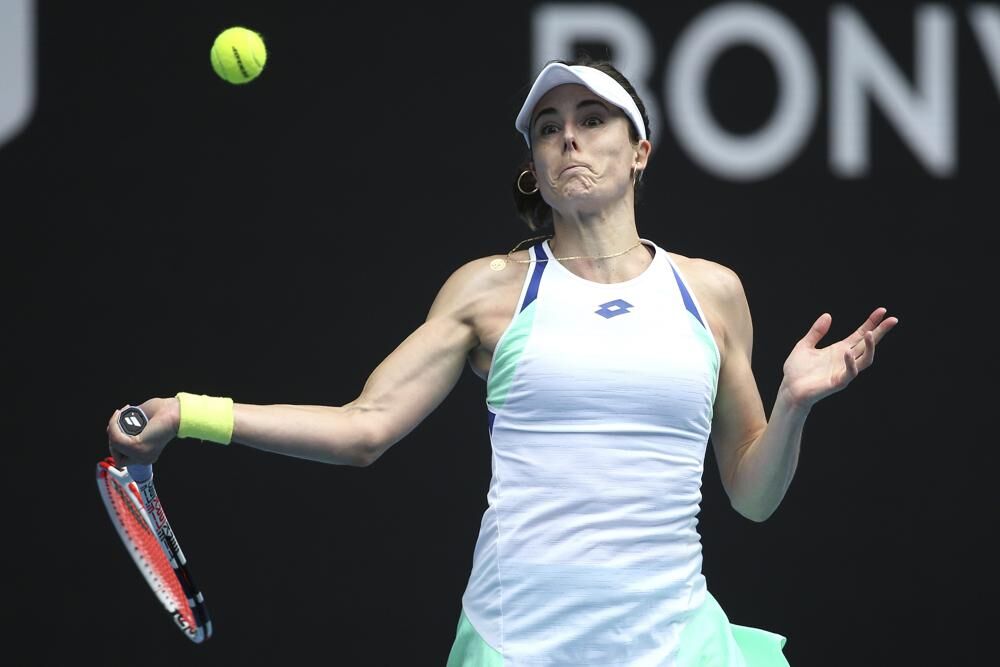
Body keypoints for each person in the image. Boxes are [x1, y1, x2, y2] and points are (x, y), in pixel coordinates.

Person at [107, 56, 898, 666]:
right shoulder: (491, 290)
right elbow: (364, 426)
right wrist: (191, 412)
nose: (569, 138)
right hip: (516, 641)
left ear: (640, 152)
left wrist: (792, 404)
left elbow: (753, 497)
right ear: (536, 163)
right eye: (549, 128)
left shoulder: (712, 293)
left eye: (593, 119)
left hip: (675, 645)